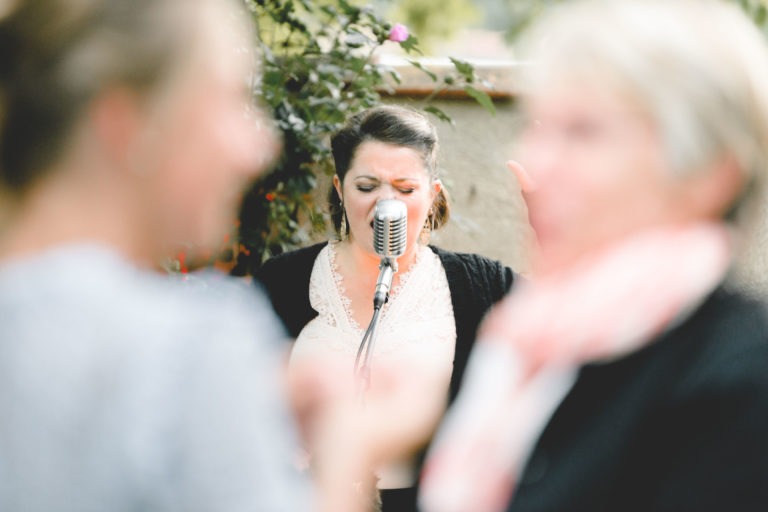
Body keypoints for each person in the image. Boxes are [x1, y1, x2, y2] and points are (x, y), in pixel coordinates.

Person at [0, 1, 439, 511]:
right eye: (230, 103)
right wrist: (350, 446)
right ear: (126, 123)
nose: (259, 147)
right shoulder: (196, 344)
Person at [419, 1, 768, 511]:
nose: (536, 160)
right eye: (540, 126)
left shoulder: (739, 382)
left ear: (711, 173)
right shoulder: (541, 345)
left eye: (584, 132)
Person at [255, 104, 515, 511]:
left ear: (433, 195)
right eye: (366, 187)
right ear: (340, 190)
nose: (385, 205)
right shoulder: (279, 284)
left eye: (405, 189)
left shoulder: (483, 287)